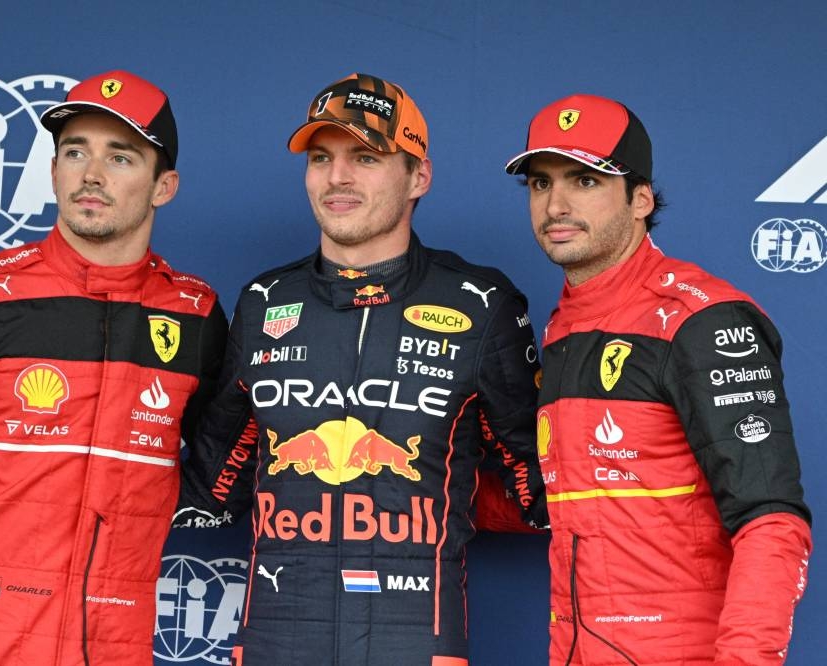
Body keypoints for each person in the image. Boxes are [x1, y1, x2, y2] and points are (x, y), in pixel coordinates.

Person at [176, 72, 545, 665]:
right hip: (277, 635)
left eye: (366, 157)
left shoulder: (480, 304)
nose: (337, 177)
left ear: (418, 175)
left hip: (414, 638)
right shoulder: (263, 301)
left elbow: (544, 477)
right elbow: (214, 483)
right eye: (321, 157)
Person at [0, 70, 227, 666]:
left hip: (118, 647)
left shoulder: (196, 313)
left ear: (165, 186)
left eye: (121, 157)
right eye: (75, 151)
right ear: (53, 168)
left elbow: (225, 462)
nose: (91, 174)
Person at [503, 93, 812, 665]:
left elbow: (772, 522)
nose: (556, 205)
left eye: (586, 181)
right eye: (541, 184)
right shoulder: (565, 325)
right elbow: (574, 502)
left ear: (641, 198)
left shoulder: (703, 319)